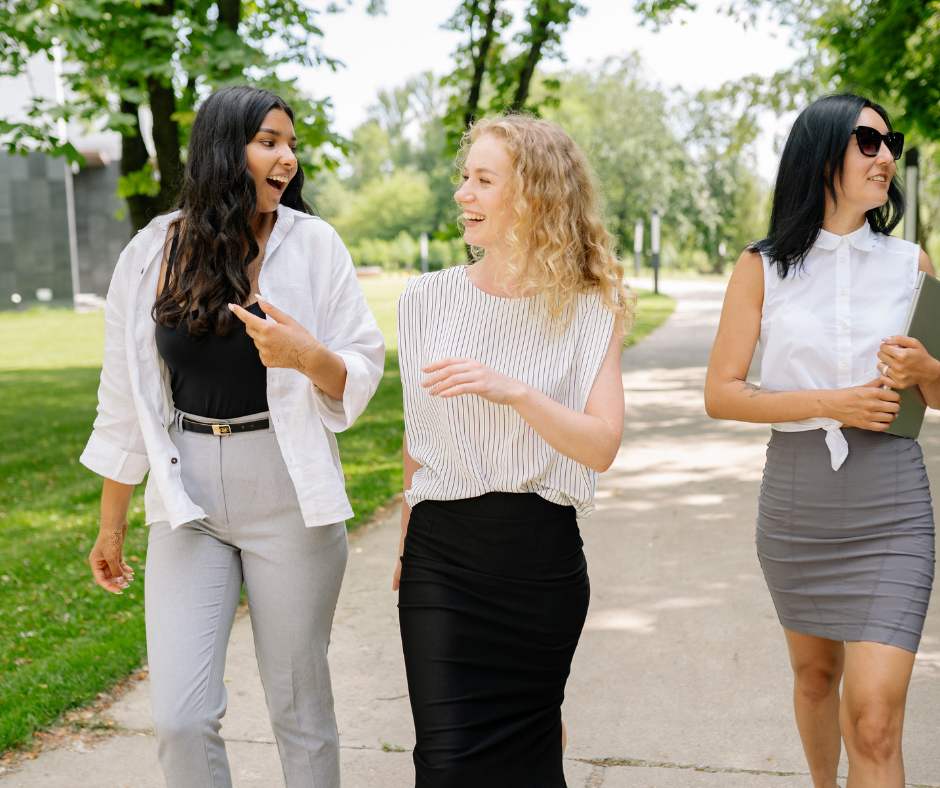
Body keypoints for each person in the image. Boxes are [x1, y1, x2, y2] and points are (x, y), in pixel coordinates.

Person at [80, 86, 384, 788]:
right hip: (189, 496)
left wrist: (305, 355)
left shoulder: (315, 245)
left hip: (287, 489)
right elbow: (124, 396)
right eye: (270, 142)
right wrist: (111, 523)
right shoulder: (154, 249)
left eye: (291, 144)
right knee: (180, 718)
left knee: (299, 712)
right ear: (226, 149)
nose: (288, 159)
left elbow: (360, 368)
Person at [394, 113, 633, 787]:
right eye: (464, 178)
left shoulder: (593, 307)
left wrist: (514, 390)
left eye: (483, 180)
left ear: (533, 195)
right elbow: (420, 439)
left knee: (530, 765)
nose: (463, 194)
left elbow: (601, 446)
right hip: (442, 558)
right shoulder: (425, 299)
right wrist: (408, 539)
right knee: (444, 764)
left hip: (540, 563)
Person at [705, 93, 936, 788]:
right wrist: (830, 402)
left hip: (891, 503)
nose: (887, 156)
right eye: (869, 142)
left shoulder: (911, 264)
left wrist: (927, 370)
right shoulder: (762, 267)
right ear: (821, 153)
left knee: (873, 718)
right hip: (797, 502)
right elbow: (722, 391)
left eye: (889, 142)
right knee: (814, 679)